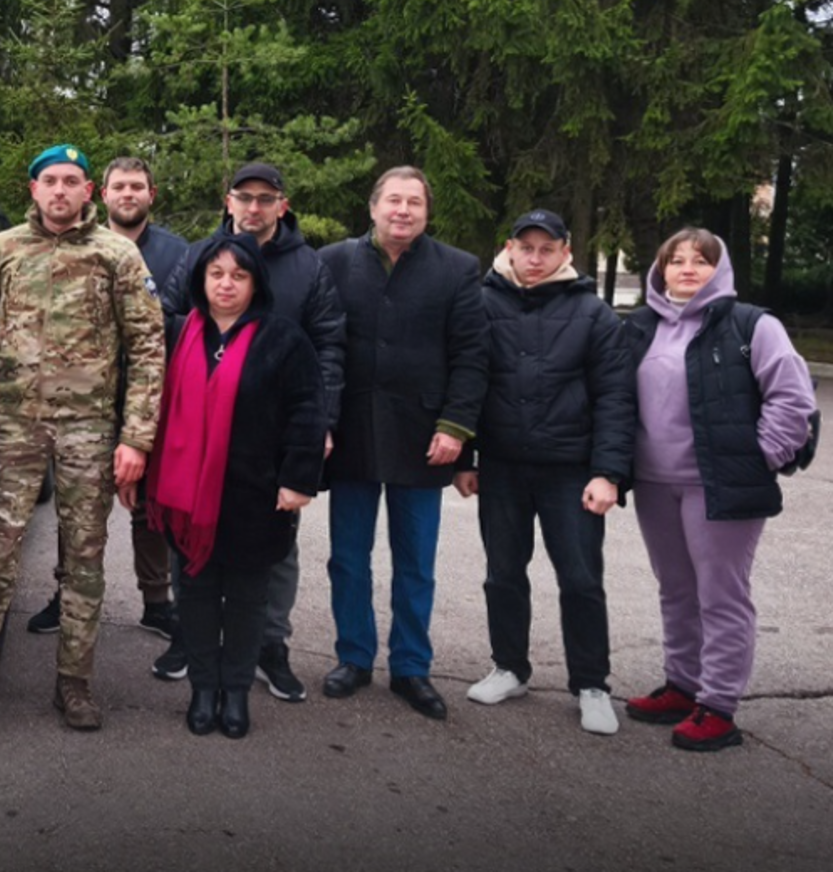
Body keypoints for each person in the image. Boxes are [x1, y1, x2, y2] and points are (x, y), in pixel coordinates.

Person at [0, 143, 165, 731]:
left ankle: (74, 683)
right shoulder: (3, 250)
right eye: (51, 181)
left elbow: (148, 347)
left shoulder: (115, 254)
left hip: (90, 431)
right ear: (34, 189)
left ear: (88, 192)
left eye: (73, 181)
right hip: (14, 425)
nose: (61, 191)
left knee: (84, 559)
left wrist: (136, 438)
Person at [620, 227, 815, 752]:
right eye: (676, 260)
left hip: (719, 487)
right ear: (660, 270)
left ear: (719, 269)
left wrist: (755, 460)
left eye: (700, 261)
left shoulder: (752, 325)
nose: (687, 269)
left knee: (721, 594)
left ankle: (719, 705)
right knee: (676, 588)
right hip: (654, 483)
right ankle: (682, 686)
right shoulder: (641, 328)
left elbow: (793, 400)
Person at [157, 160, 345, 698]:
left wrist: (318, 431)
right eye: (245, 197)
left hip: (265, 448)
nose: (255, 207)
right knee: (189, 550)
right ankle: (192, 648)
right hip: (194, 444)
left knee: (270, 556)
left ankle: (268, 644)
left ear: (282, 205)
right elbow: (165, 327)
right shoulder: (197, 254)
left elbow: (328, 346)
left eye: (266, 198)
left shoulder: (307, 268)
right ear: (229, 201)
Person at [317, 166, 487, 720]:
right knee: (348, 557)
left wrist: (456, 427)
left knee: (415, 562)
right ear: (373, 207)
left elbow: (470, 355)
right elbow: (322, 344)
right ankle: (354, 656)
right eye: (394, 200)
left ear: (426, 212)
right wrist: (319, 419)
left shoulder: (458, 269)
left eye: (415, 202)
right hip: (353, 432)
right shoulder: (335, 262)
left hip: (424, 436)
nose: (404, 211)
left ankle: (411, 667)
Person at [458, 209, 634, 735]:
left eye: (546, 248)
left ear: (566, 252)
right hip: (503, 467)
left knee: (580, 579)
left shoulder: (594, 314)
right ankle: (510, 667)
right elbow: (466, 382)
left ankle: (591, 683)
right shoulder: (481, 304)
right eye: (526, 247)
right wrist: (466, 459)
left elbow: (615, 399)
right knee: (503, 573)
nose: (535, 258)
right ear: (510, 247)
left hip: (570, 470)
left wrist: (609, 473)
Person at [147, 233, 324, 740]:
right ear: (201, 280)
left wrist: (296, 480)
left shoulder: (284, 340)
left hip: (256, 497)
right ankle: (204, 689)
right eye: (216, 274)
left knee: (248, 601)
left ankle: (237, 691)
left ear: (255, 283)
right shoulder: (176, 335)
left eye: (238, 275)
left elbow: (307, 414)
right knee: (197, 595)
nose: (226, 284)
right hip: (186, 498)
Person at [25, 155, 186, 646]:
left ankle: (157, 603)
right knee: (77, 508)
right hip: (82, 401)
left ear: (150, 195)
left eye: (138, 186)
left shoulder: (178, 253)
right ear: (104, 194)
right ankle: (65, 593)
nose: (128, 194)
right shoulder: (76, 246)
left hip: (147, 397)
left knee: (150, 508)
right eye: (120, 186)